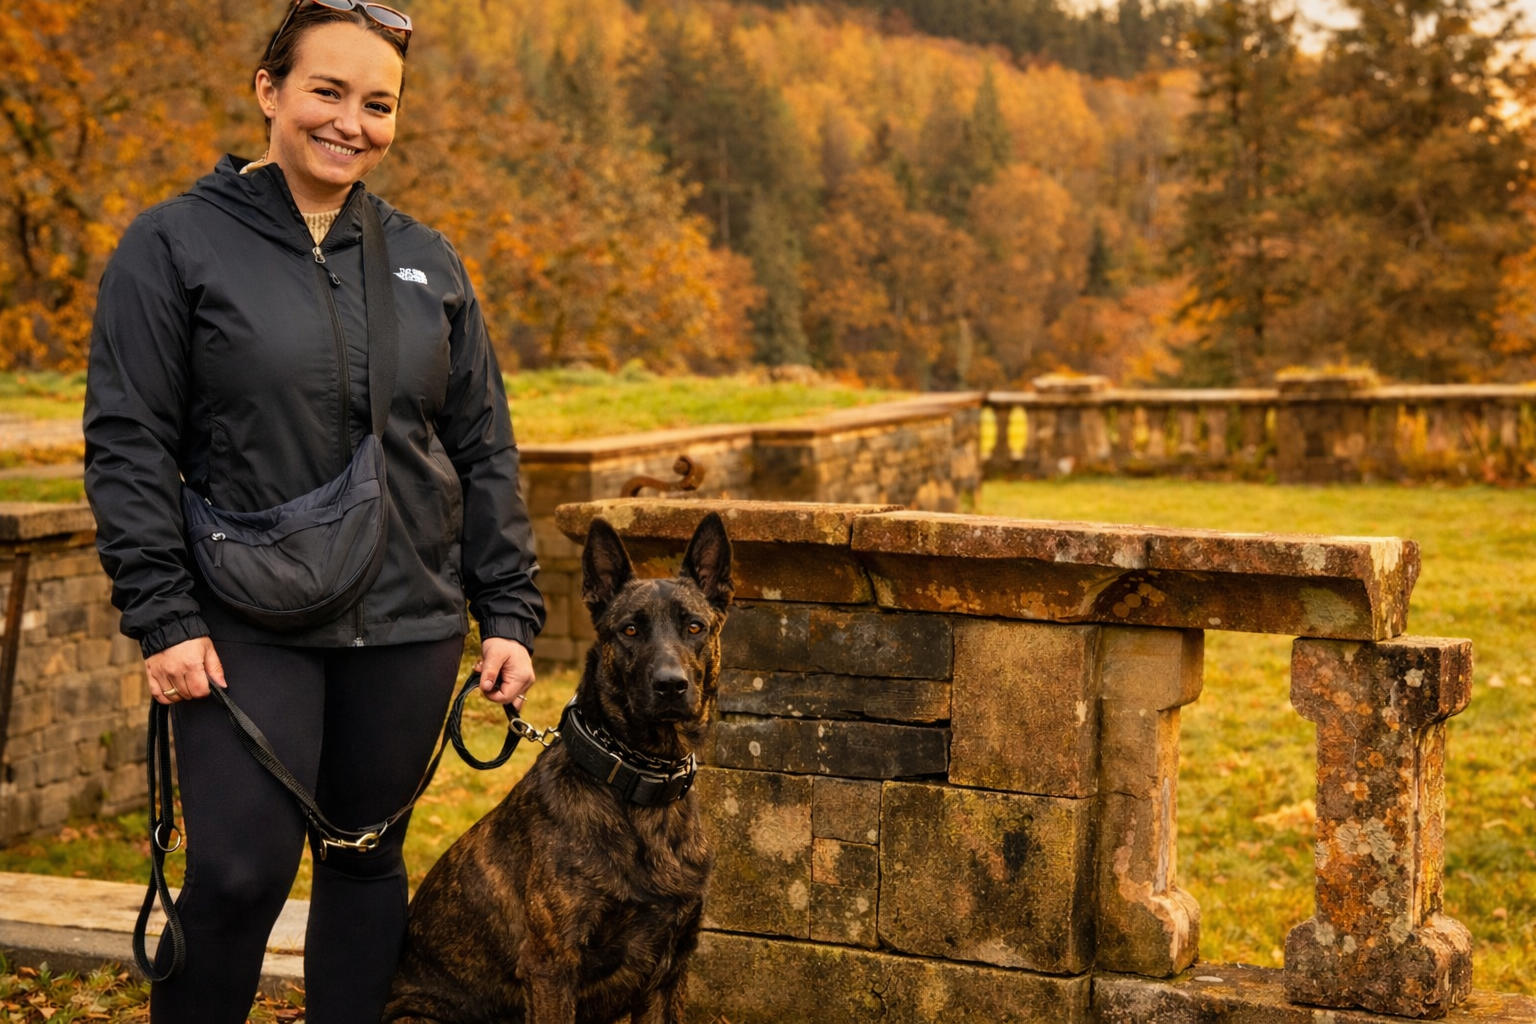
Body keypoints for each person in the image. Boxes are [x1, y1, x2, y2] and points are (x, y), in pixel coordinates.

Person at [83, 2, 545, 1021]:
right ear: (269, 92)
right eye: (326, 92)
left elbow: (481, 446)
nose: (352, 122)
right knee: (241, 875)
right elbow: (127, 442)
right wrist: (162, 615)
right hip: (244, 616)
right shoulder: (172, 246)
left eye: (378, 103)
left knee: (367, 859)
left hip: (409, 615)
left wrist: (507, 608)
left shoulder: (430, 260)